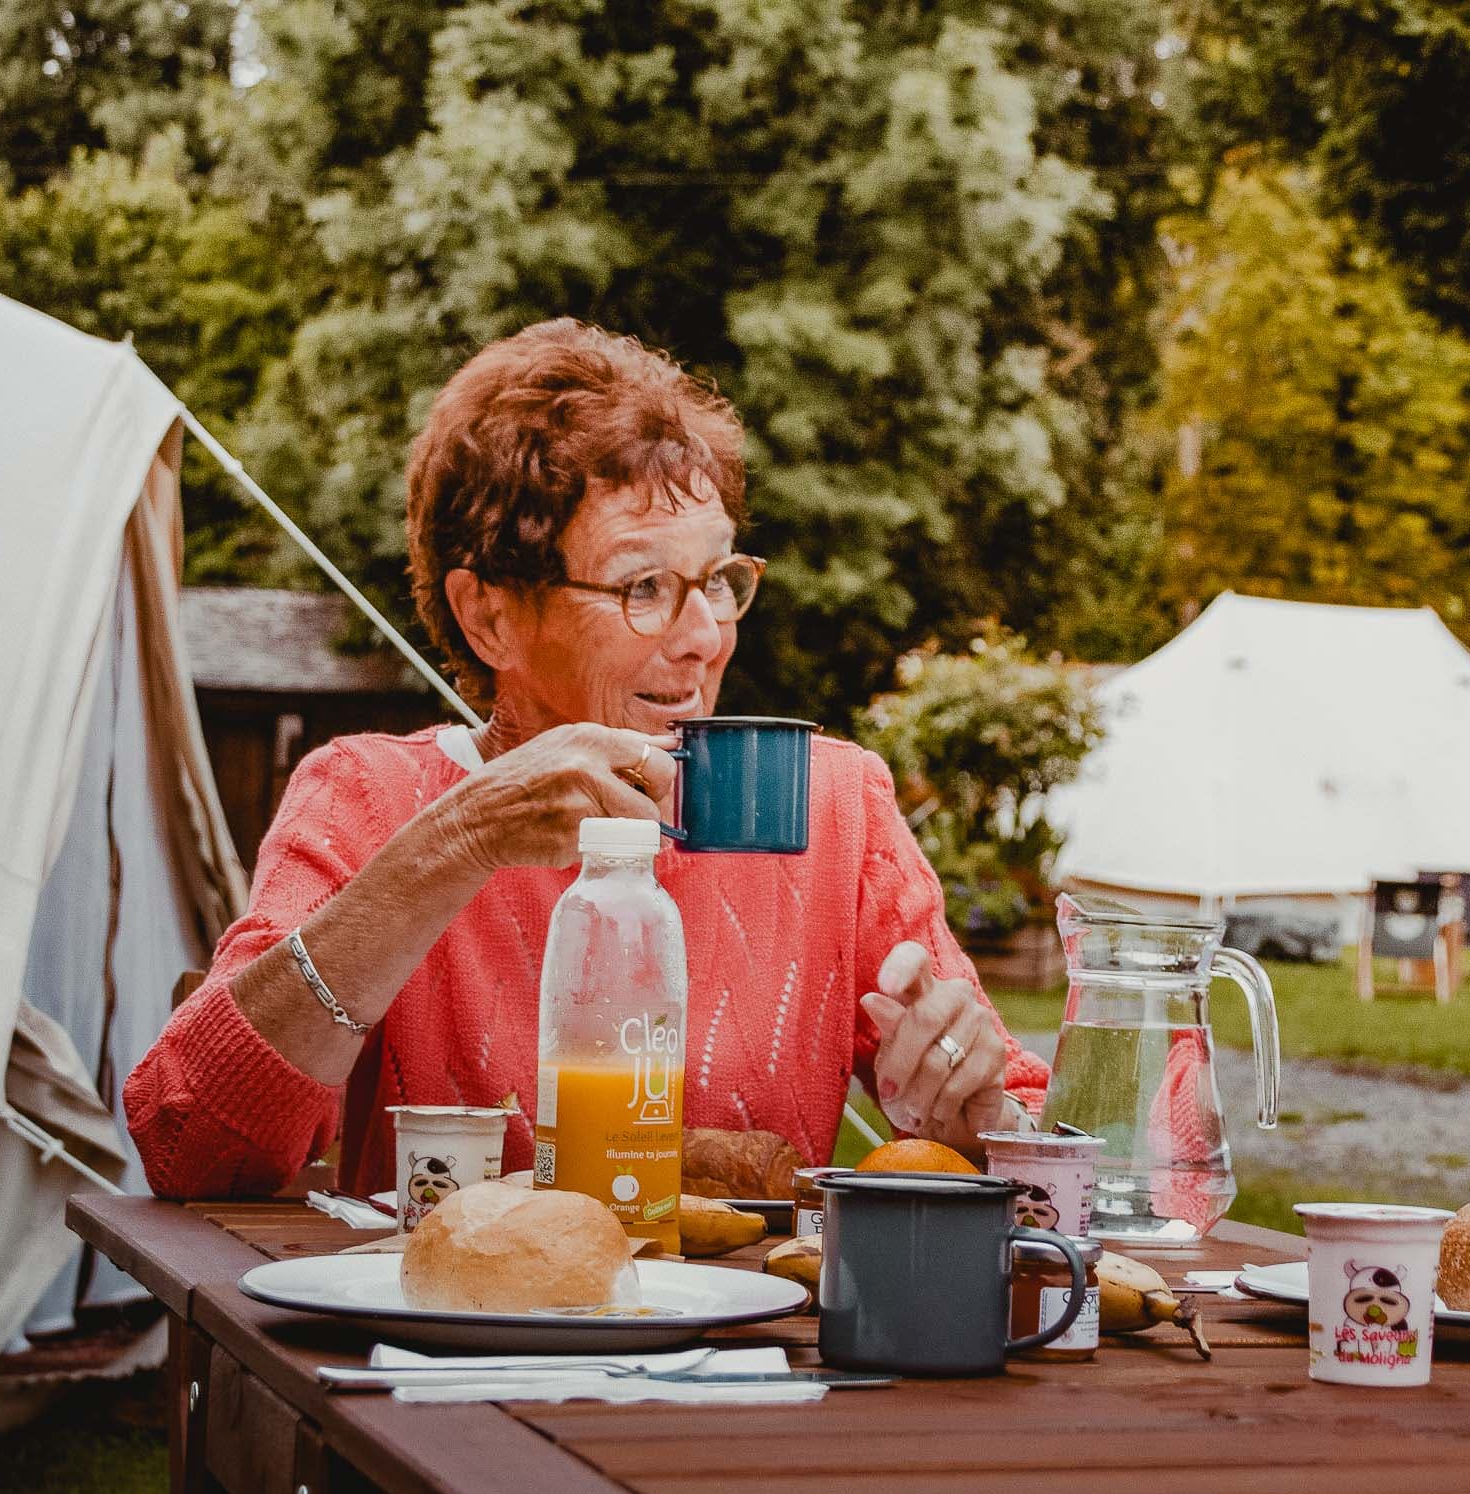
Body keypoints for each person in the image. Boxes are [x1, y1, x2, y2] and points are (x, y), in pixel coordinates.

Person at [126, 319, 1044, 1199]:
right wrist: (457, 842)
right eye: (645, 586)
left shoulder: (831, 803)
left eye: (720, 581)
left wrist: (976, 1115)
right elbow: (189, 1144)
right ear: (490, 615)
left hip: (763, 1351)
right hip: (464, 1346)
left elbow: (1032, 1143)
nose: (704, 638)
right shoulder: (367, 797)